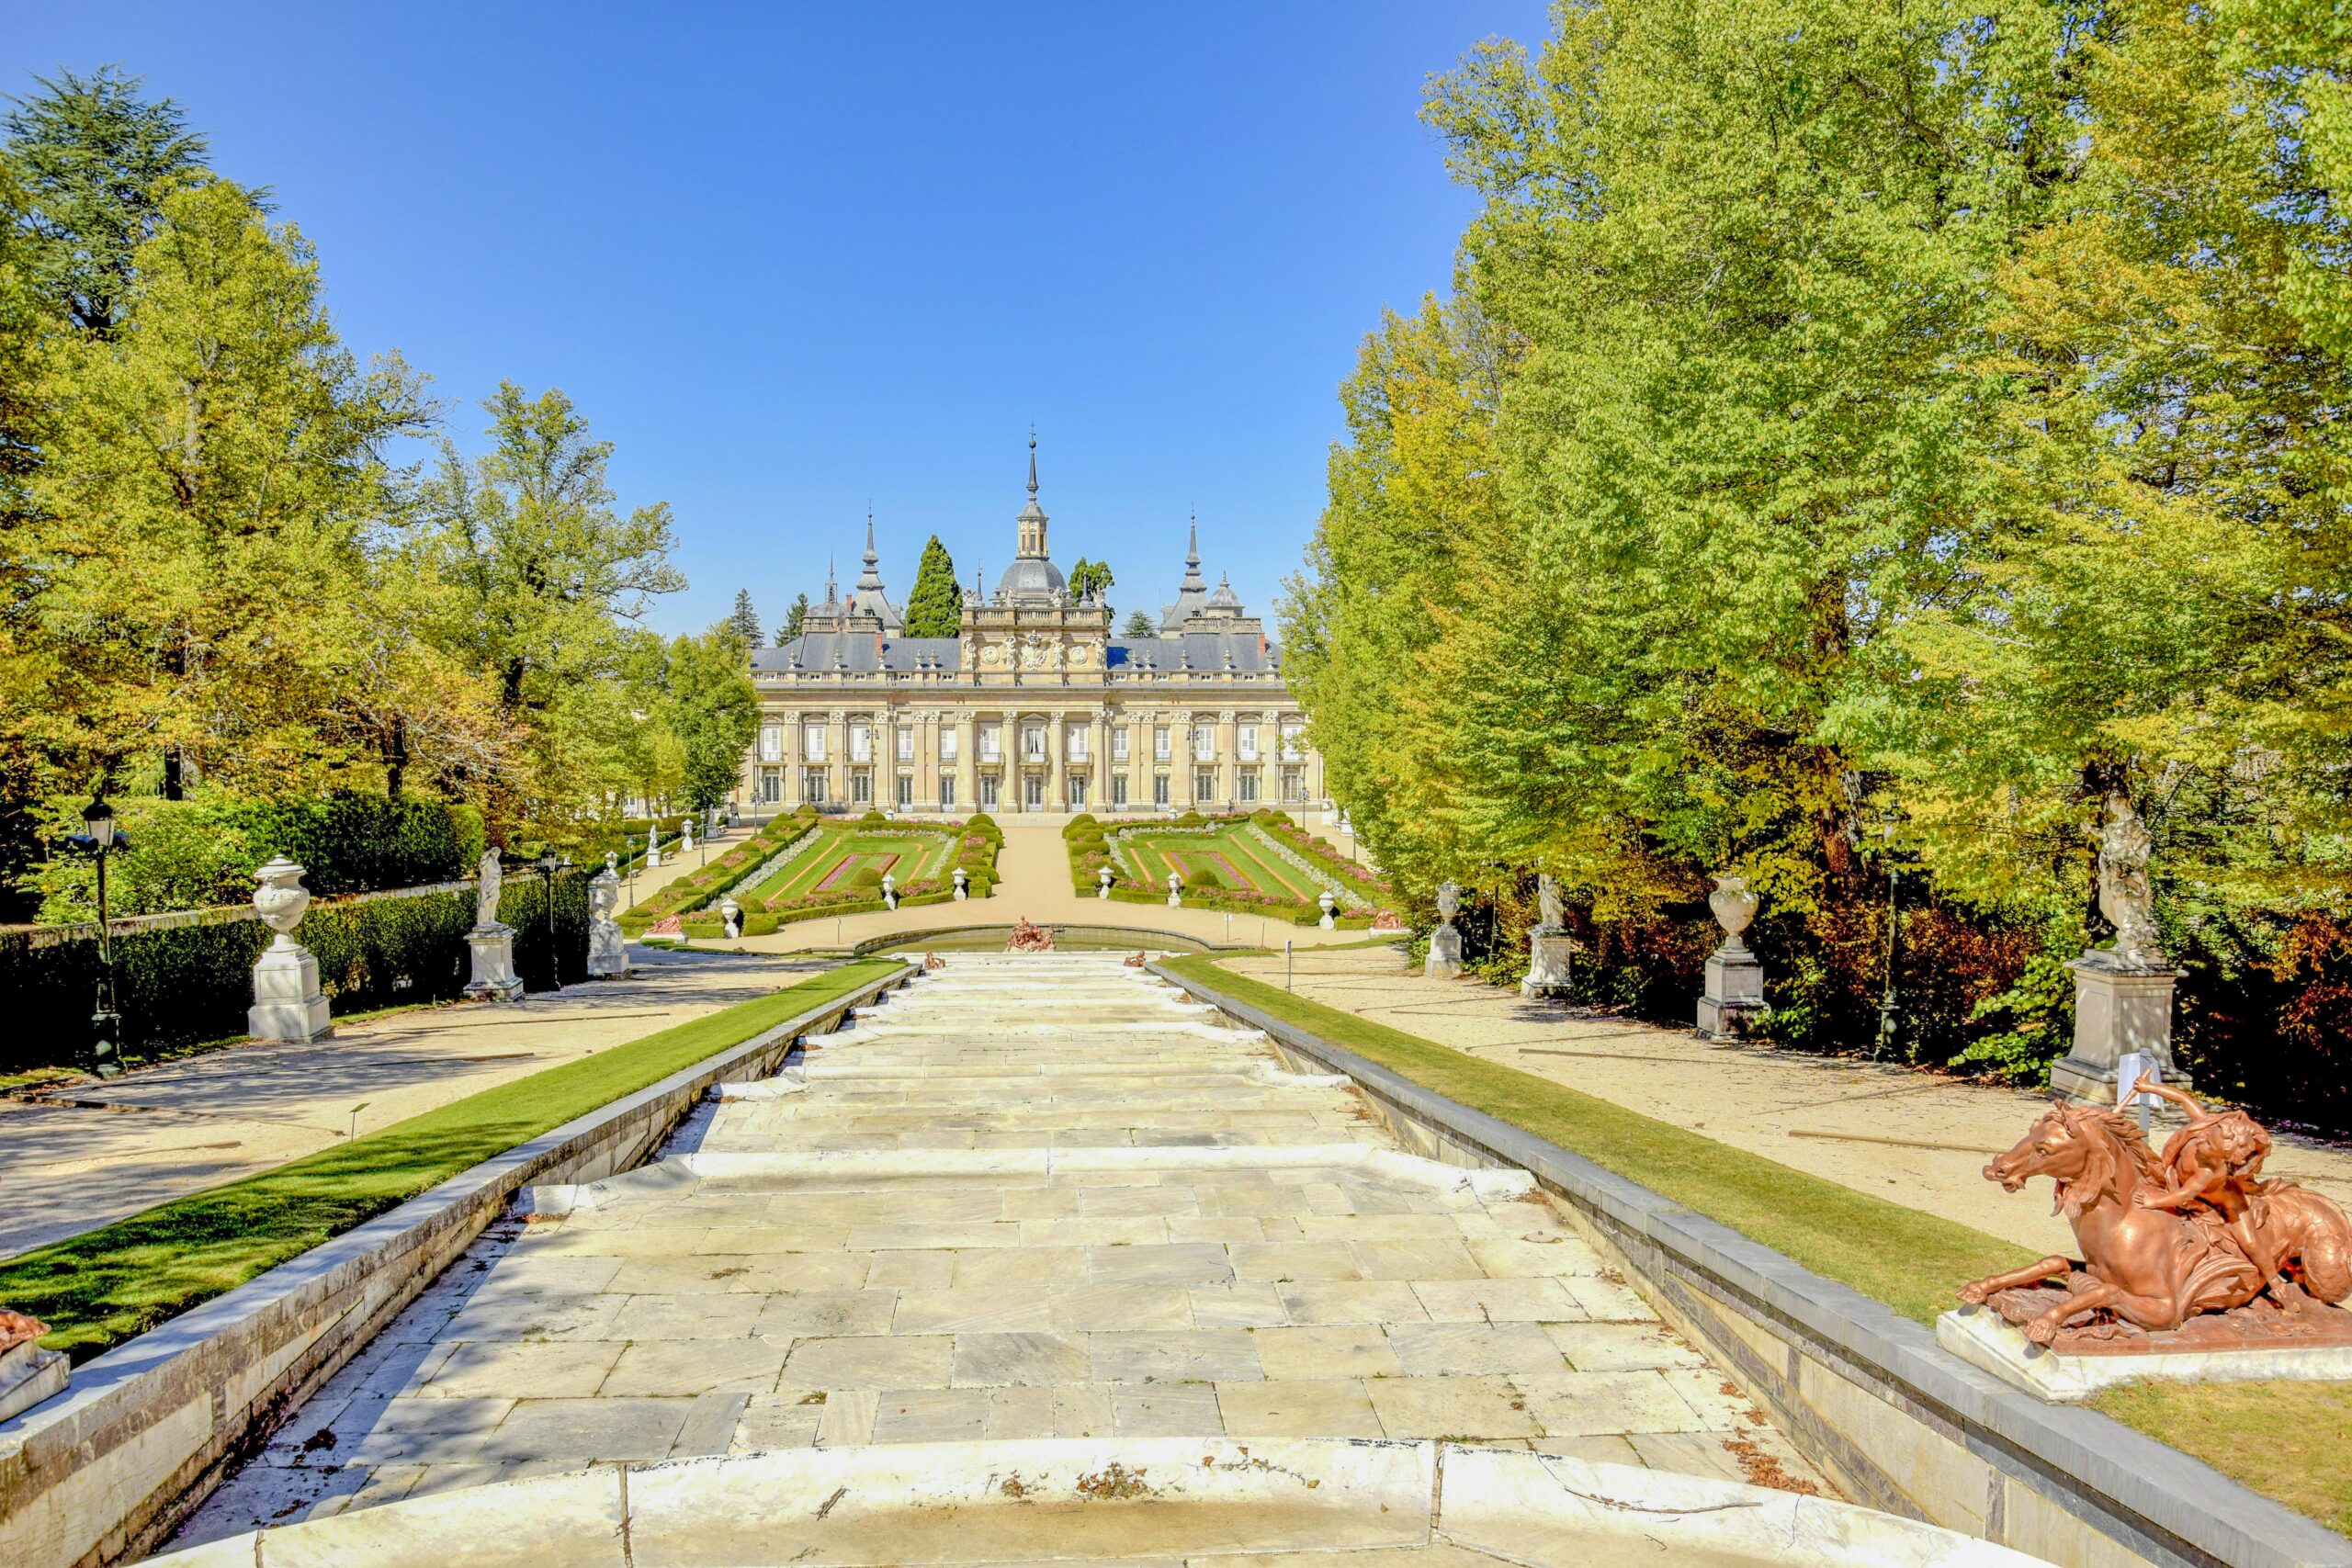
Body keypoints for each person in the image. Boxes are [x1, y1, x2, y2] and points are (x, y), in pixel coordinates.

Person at [2126, 1075, 2273, 1275]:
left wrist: (2154, 1201)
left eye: (2208, 1144)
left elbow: (2184, 1195)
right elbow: (2184, 1099)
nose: (2201, 1139)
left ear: (2226, 1157)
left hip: (2226, 1200)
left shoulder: (2208, 1173)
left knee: (2249, 1242)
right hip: (2176, 1180)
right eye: (2206, 1135)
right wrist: (2149, 1087)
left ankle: (2275, 1282)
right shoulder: (2206, 1130)